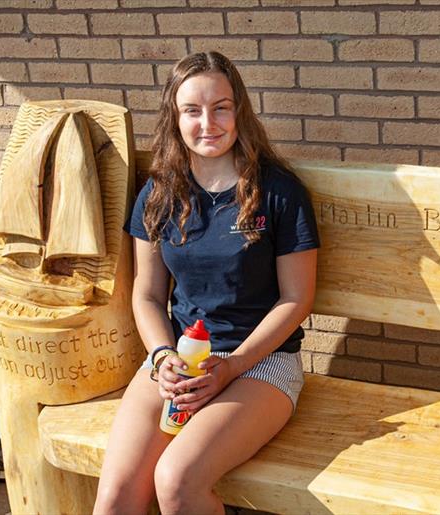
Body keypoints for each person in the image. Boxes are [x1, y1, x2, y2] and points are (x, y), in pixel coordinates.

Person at [93, 52, 319, 515]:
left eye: (221, 107)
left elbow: (296, 299)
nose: (208, 123)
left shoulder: (279, 192)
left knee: (175, 482)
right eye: (192, 110)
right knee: (115, 499)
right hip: (181, 363)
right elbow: (148, 295)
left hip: (260, 364)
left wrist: (232, 365)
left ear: (240, 111)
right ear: (174, 118)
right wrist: (161, 357)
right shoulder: (158, 194)